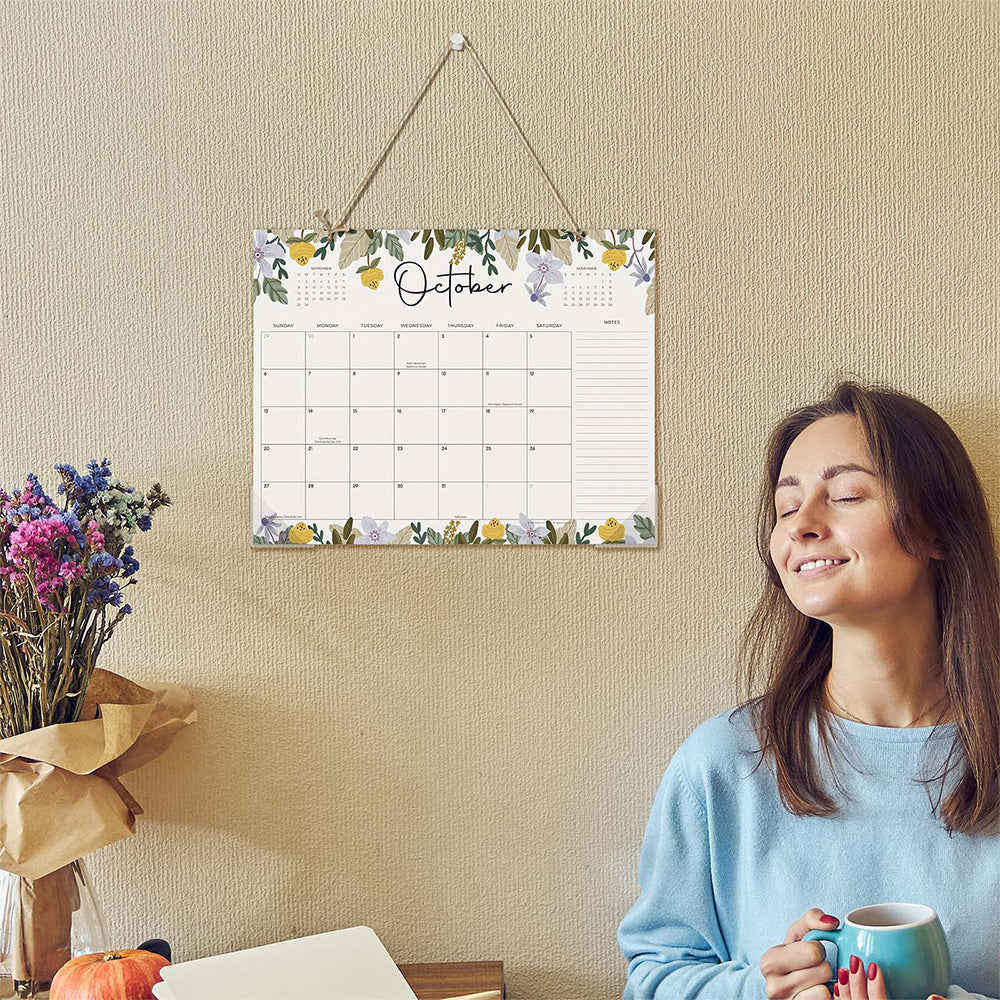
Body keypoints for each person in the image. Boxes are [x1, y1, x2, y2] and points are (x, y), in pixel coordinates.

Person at [617, 380, 999, 1000]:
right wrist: (759, 990)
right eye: (787, 507)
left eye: (846, 495)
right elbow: (652, 978)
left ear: (937, 530)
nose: (803, 526)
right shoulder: (725, 762)